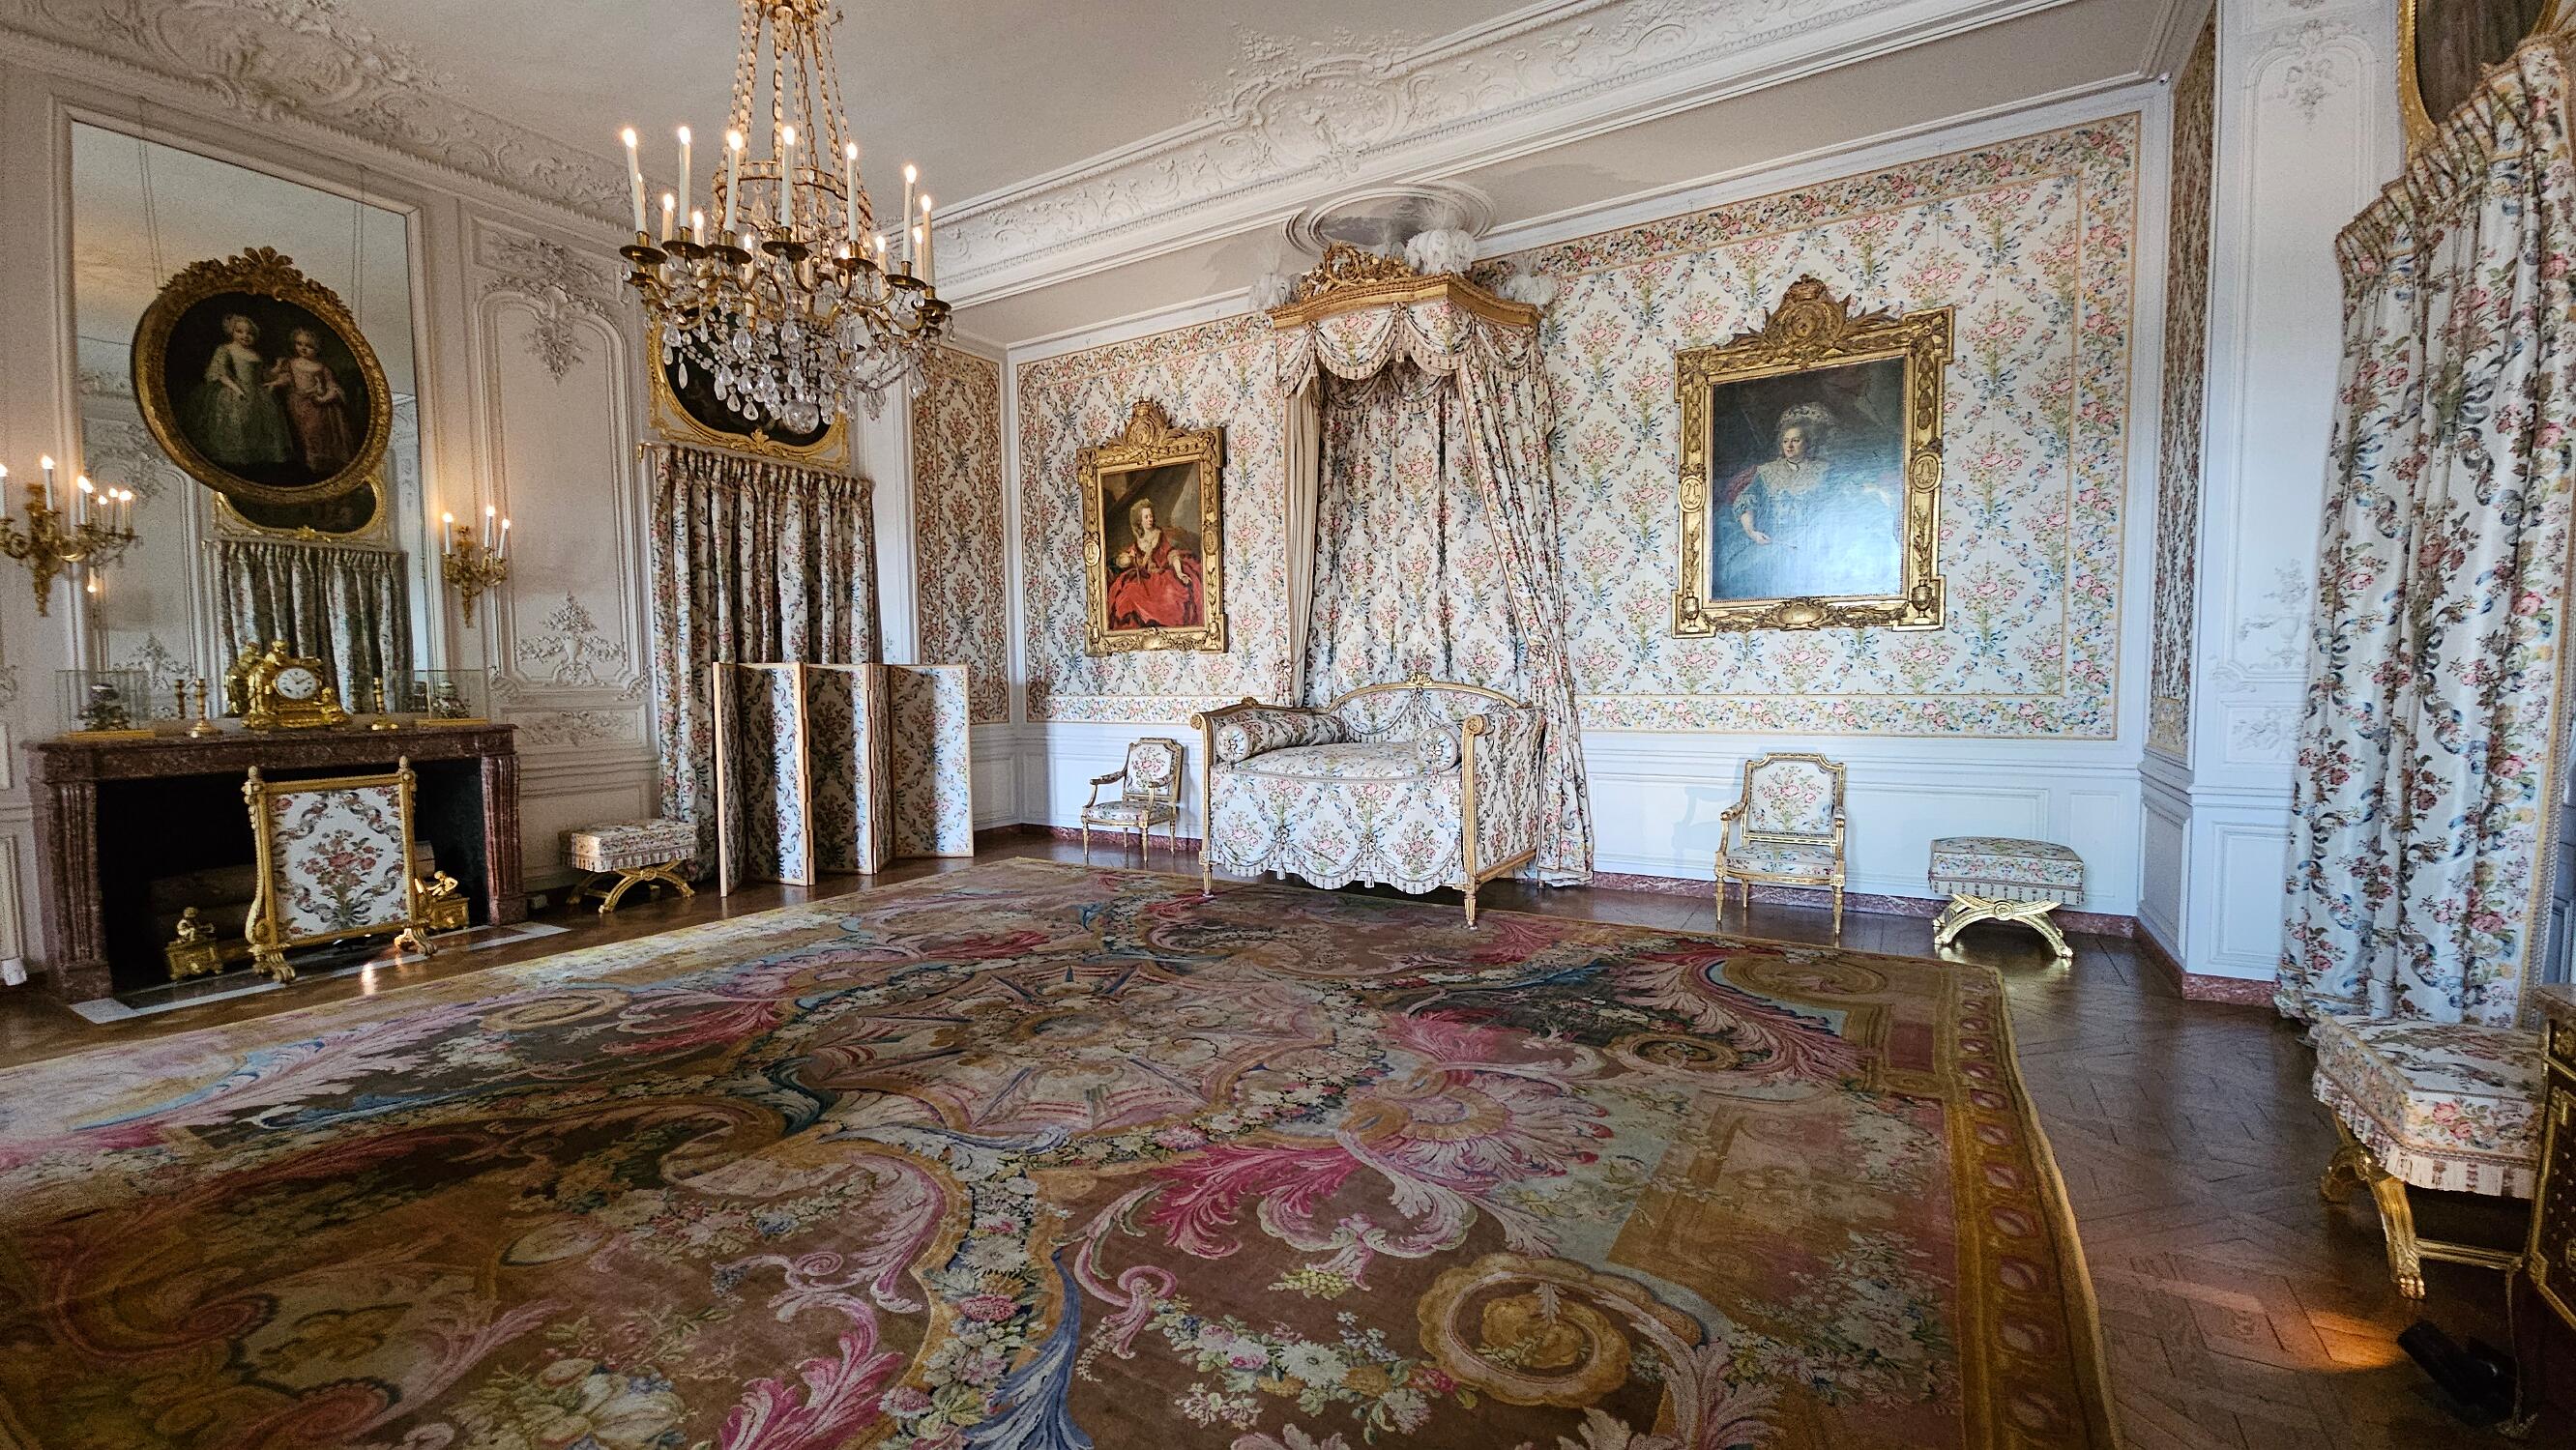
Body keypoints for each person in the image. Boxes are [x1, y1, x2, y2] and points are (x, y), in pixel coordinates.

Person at [1717, 401, 1901, 601]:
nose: (1789, 446)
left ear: (1807, 443)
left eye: (1795, 440)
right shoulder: (1766, 472)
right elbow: (1747, 500)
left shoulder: (1823, 470)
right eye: (1785, 441)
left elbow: (1848, 487)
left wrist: (1877, 490)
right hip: (1772, 540)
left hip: (1812, 540)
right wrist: (1751, 531)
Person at [183, 313, 291, 469]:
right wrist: (237, 390)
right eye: (240, 331)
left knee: (257, 424)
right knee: (239, 423)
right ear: (232, 331)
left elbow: (263, 375)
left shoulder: (254, 354)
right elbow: (221, 373)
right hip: (235, 391)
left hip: (258, 392)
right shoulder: (226, 349)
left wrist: (278, 367)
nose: (245, 336)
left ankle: (257, 462)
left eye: (249, 333)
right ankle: (239, 462)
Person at [1104, 495, 1203, 629]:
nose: (1150, 519)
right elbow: (1125, 561)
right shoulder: (1137, 542)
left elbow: (1172, 555)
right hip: (1144, 579)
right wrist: (1127, 559)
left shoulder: (1159, 534)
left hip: (1163, 576)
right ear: (1139, 521)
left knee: (1171, 596)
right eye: (1146, 517)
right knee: (1128, 594)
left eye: (1150, 516)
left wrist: (1180, 573)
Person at [270, 327, 356, 478]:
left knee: (314, 431)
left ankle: (315, 464)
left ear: (317, 348)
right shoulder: (291, 363)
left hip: (315, 405)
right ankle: (303, 465)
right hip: (296, 403)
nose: (303, 348)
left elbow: (331, 386)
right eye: (299, 344)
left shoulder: (321, 367)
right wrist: (277, 382)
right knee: (300, 434)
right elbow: (286, 380)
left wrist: (324, 397)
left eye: (308, 346)